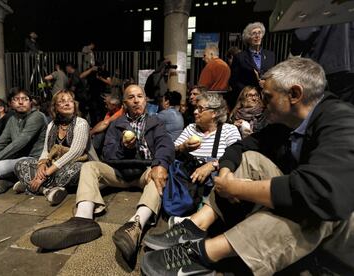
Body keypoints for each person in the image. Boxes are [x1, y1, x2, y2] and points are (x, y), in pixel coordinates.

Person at [141, 57, 354, 275]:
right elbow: (239, 148)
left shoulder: (341, 120)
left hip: (341, 230)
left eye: (268, 96)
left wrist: (235, 188)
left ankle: (206, 253)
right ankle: (196, 226)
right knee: (251, 157)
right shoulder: (288, 123)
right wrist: (225, 176)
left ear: (295, 95)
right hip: (311, 199)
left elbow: (323, 192)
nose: (262, 102)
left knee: (317, 204)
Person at [29, 84, 175, 266]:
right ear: (124, 103)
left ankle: (135, 226)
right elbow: (109, 155)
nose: (136, 100)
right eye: (131, 97)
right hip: (120, 172)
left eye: (140, 96)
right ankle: (83, 219)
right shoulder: (116, 124)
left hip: (145, 172)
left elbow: (165, 145)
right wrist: (124, 147)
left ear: (145, 100)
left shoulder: (155, 122)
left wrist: (160, 164)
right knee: (90, 166)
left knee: (158, 177)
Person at [14, 90, 98, 206]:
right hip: (54, 166)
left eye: (70, 101)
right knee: (21, 163)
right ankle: (48, 190)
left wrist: (46, 173)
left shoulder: (81, 123)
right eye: (62, 102)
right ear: (55, 107)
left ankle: (30, 184)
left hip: (75, 163)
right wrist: (42, 165)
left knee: (79, 168)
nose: (68, 104)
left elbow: (76, 152)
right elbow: (46, 150)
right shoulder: (52, 125)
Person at [0, 89, 47, 196]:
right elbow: (1, 142)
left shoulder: (37, 116)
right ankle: (3, 179)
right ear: (10, 104)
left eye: (25, 99)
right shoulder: (13, 119)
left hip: (32, 159)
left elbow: (19, 143)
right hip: (17, 156)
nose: (21, 102)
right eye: (16, 99)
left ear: (30, 102)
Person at [290, 22, 354, 105]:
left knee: (316, 106)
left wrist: (295, 48)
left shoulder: (326, 8)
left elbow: (305, 32)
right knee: (346, 110)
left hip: (324, 65)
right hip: (350, 68)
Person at [229, 22, 275, 109]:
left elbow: (274, 76)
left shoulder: (270, 55)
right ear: (248, 38)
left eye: (259, 33)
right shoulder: (240, 57)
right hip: (247, 101)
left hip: (265, 99)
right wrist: (247, 92)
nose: (257, 36)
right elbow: (233, 81)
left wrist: (267, 83)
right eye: (254, 33)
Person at [80, 59, 112, 126]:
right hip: (91, 95)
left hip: (101, 95)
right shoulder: (91, 71)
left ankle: (102, 125)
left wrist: (101, 79)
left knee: (102, 111)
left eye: (102, 65)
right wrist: (91, 69)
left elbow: (110, 82)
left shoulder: (104, 72)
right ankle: (93, 126)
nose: (101, 67)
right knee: (92, 112)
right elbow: (81, 76)